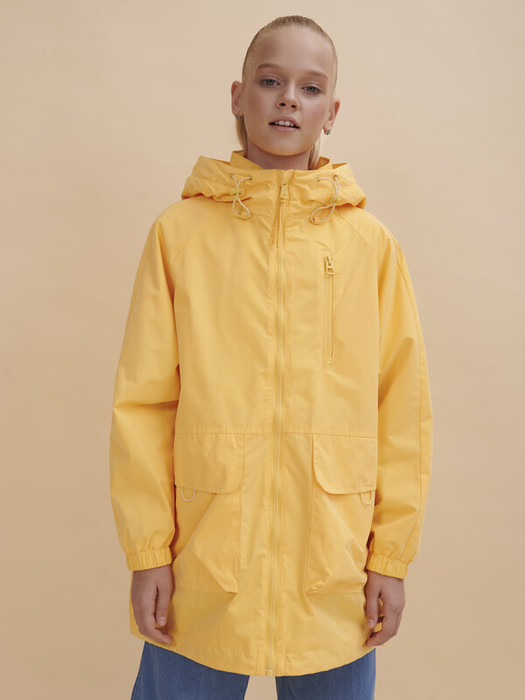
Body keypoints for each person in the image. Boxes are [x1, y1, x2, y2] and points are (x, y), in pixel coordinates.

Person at [109, 14, 433, 700]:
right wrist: (148, 551)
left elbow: (401, 410)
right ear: (238, 96)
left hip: (333, 566)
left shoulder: (370, 247)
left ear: (331, 112)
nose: (289, 98)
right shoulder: (179, 235)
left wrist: (390, 557)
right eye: (270, 80)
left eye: (310, 88)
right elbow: (144, 404)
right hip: (204, 559)